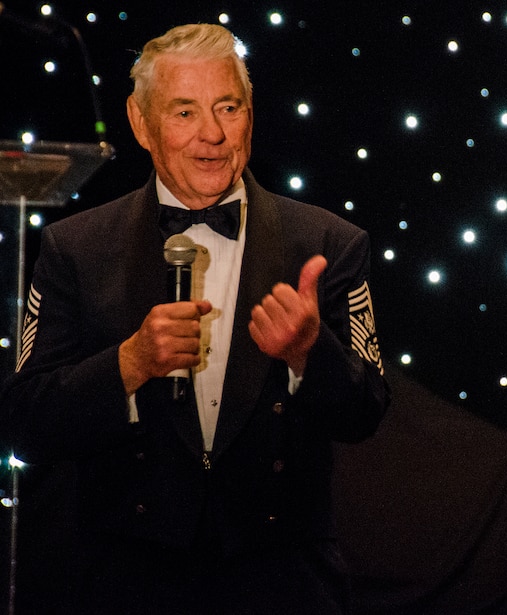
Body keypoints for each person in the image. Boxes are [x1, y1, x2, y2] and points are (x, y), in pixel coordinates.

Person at [0, 23, 390, 614]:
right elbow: (24, 421)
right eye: (184, 112)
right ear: (140, 124)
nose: (211, 134)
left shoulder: (329, 242)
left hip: (283, 584)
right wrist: (128, 365)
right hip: (124, 582)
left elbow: (366, 414)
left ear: (250, 117)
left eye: (227, 107)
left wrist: (310, 352)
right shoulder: (74, 249)